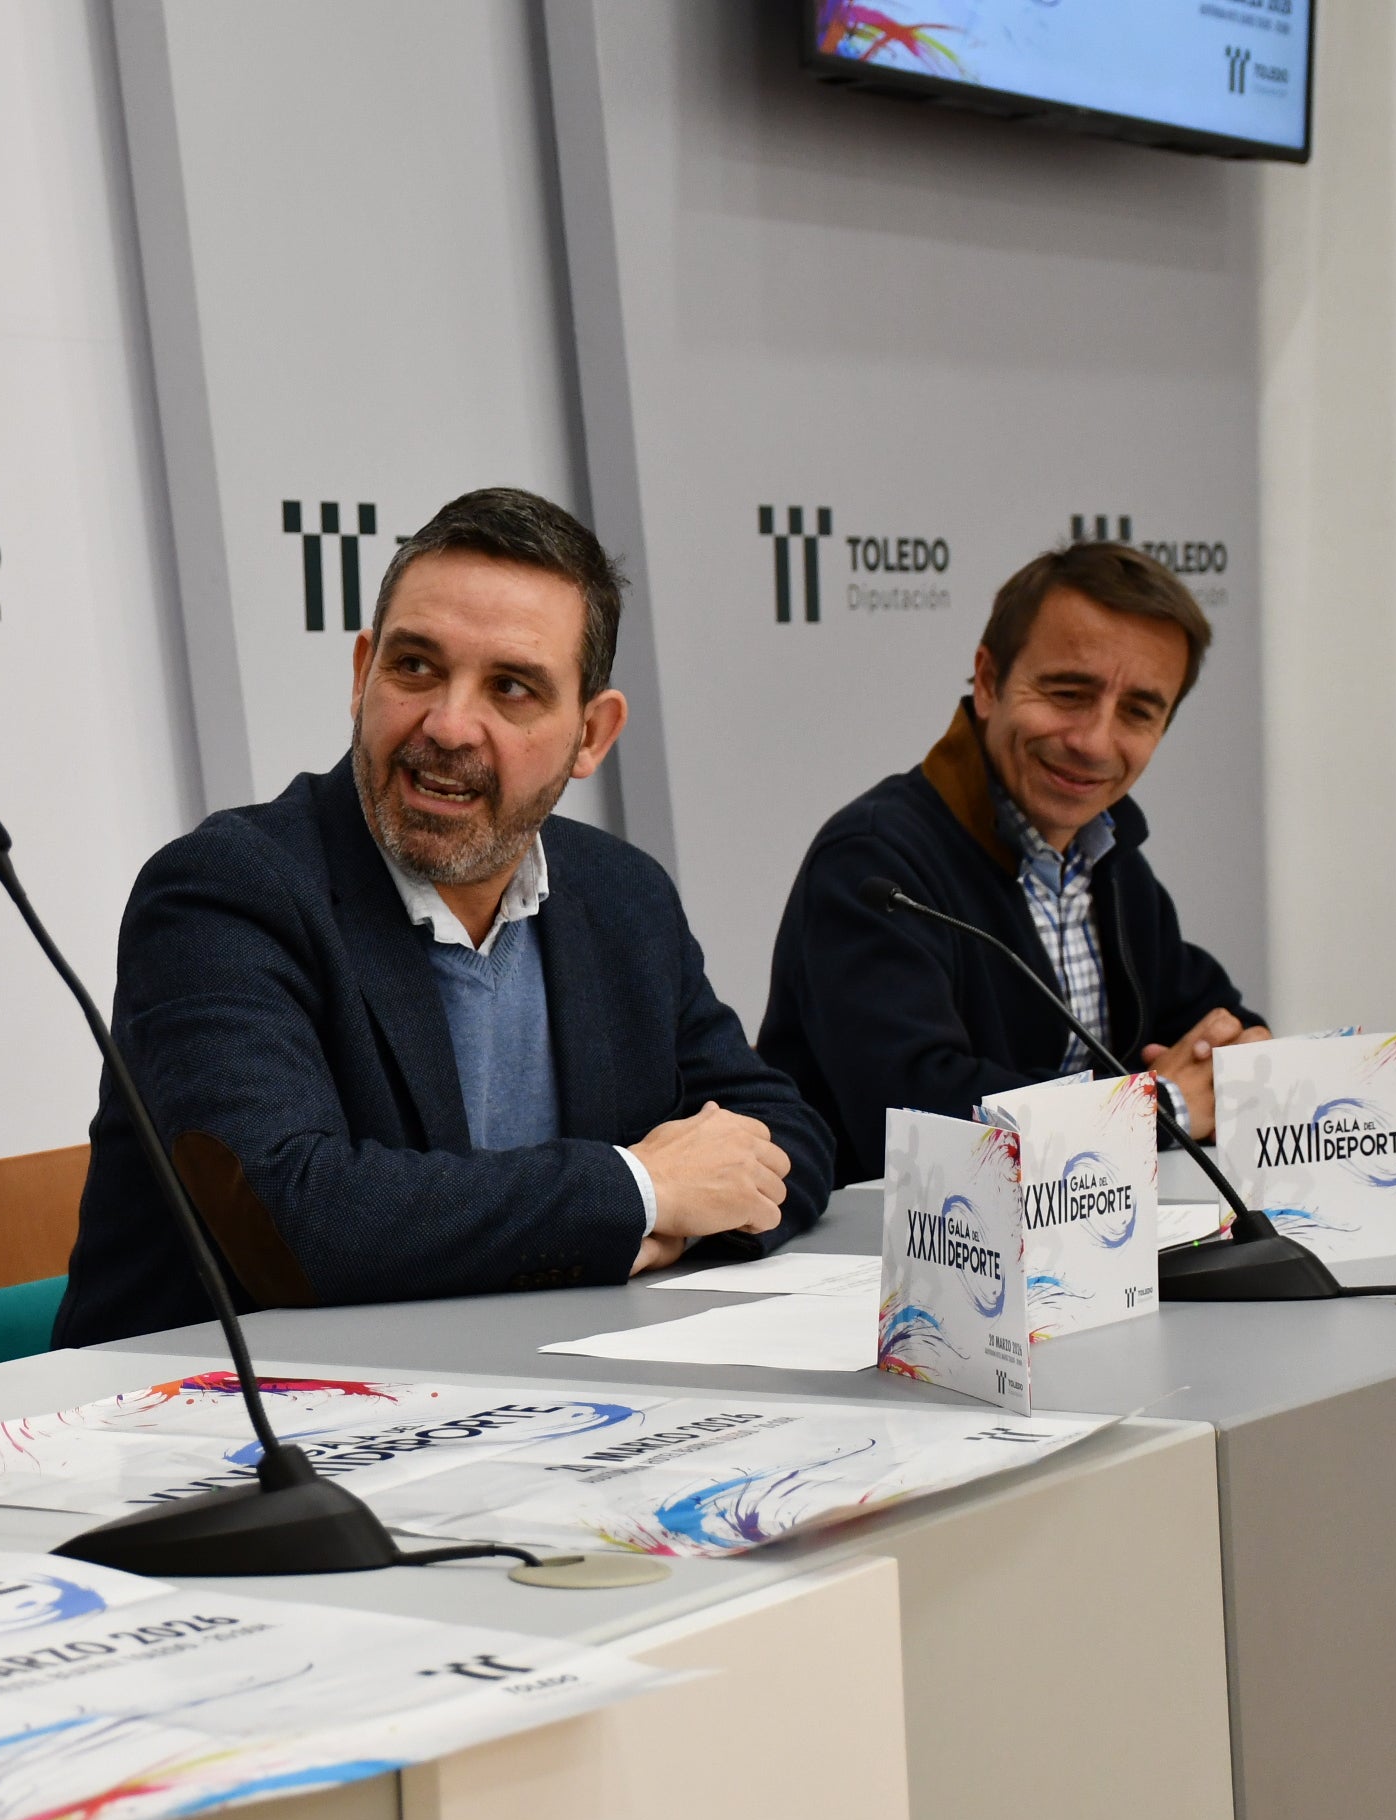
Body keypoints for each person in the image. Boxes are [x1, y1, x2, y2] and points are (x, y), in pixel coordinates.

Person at [56, 488, 832, 1346]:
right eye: (416, 667)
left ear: (591, 735)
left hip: (538, 1406)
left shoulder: (623, 897)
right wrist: (638, 1192)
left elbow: (783, 1134)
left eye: (512, 688)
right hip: (231, 1436)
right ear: (362, 676)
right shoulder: (224, 892)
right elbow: (290, 1218)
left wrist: (686, 1213)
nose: (449, 723)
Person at [759, 540, 1267, 1183]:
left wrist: (1244, 1062)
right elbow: (917, 1118)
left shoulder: (1109, 860)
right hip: (899, 1263)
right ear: (990, 681)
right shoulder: (873, 864)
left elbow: (1210, 1022)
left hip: (1082, 1241)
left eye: (1138, 711)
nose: (1094, 742)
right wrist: (1161, 1109)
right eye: (1067, 693)